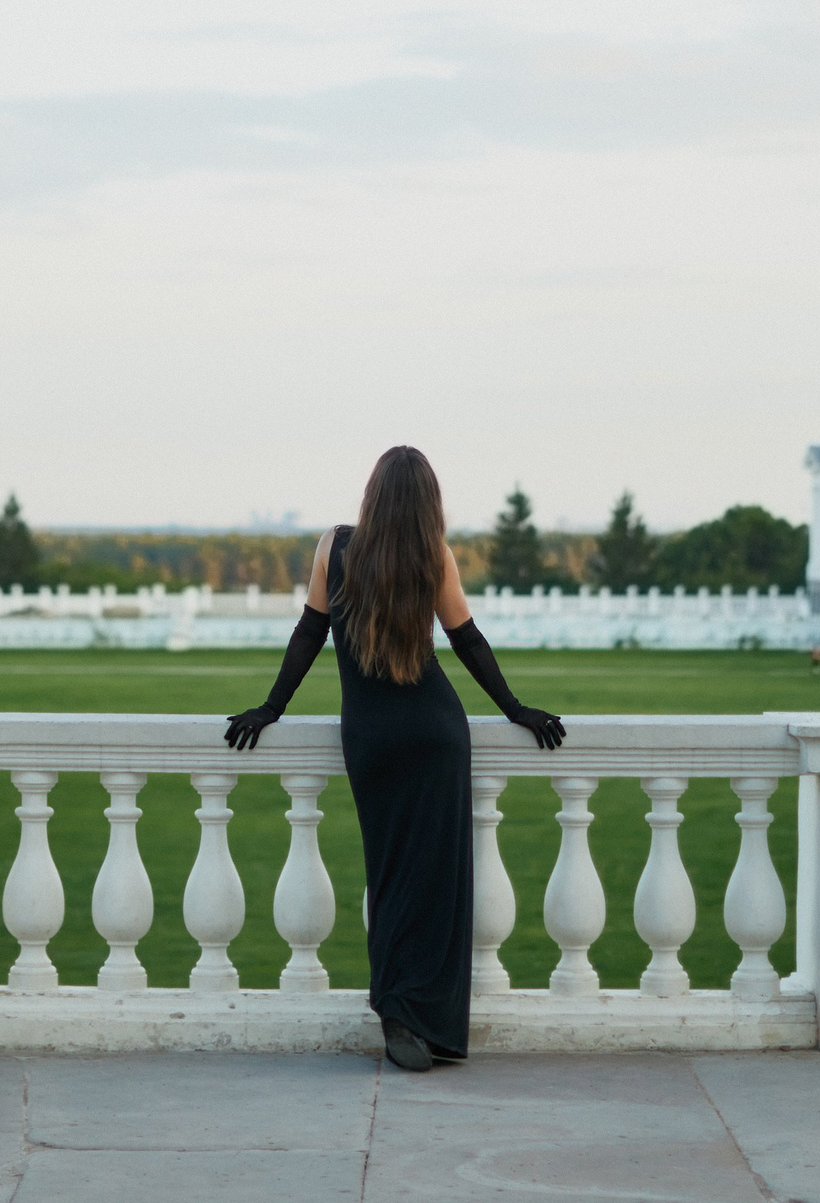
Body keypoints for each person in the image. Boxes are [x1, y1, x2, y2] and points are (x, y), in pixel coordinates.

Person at [224, 446, 565, 1072]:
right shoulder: (432, 554)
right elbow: (466, 639)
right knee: (438, 881)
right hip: (436, 731)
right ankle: (431, 1023)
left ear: (372, 493)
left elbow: (308, 632)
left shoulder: (337, 545)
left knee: (389, 878)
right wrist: (515, 707)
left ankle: (396, 1012)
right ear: (428, 501)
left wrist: (269, 708)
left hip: (373, 736)